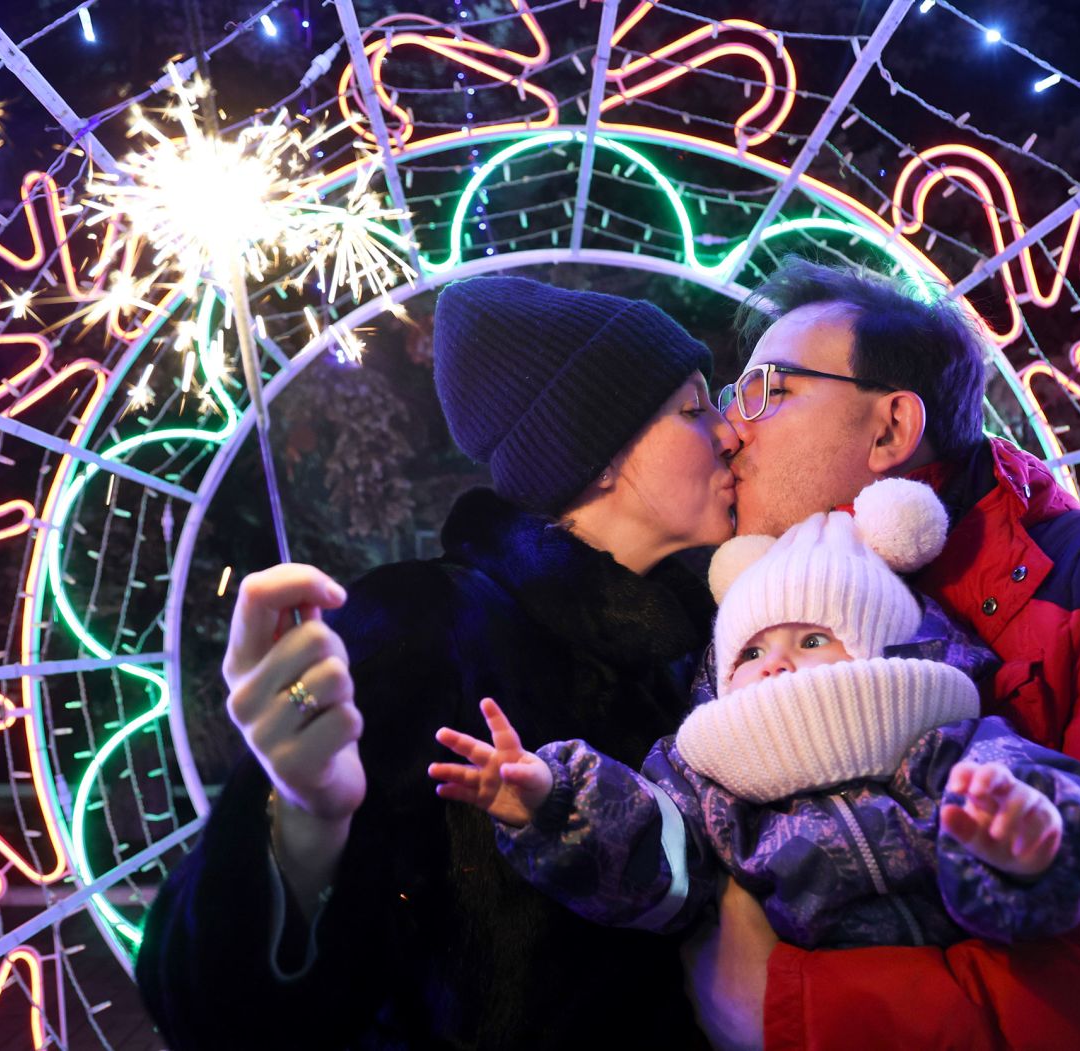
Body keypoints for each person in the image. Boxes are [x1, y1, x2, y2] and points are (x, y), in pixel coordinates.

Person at [681, 258, 1080, 1050]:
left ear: (890, 428)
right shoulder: (729, 616)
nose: (730, 426)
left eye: (767, 391)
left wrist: (799, 1009)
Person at [136, 275, 741, 1048]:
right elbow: (211, 1007)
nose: (727, 433)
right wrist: (303, 820)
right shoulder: (420, 627)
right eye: (693, 408)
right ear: (597, 456)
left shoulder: (694, 652)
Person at [432, 478, 1080, 952]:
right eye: (753, 649)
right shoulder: (707, 778)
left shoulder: (947, 743)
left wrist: (1031, 842)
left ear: (880, 650)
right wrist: (555, 803)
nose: (774, 662)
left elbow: (1056, 786)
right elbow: (654, 863)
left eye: (814, 638)